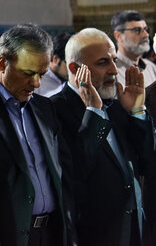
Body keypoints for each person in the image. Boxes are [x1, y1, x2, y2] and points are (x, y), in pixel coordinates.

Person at [0, 24, 75, 246]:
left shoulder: (45, 107)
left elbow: (60, 173)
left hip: (52, 234)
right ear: (2, 62)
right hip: (5, 237)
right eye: (28, 73)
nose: (36, 83)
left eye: (42, 74)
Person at [50, 28, 154, 246]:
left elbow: (147, 163)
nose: (114, 70)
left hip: (133, 230)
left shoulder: (116, 105)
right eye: (103, 62)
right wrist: (94, 114)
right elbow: (75, 171)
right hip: (92, 235)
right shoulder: (53, 110)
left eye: (114, 60)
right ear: (74, 68)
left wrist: (137, 111)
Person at [111, 10, 156, 87]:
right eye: (137, 30)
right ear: (119, 36)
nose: (146, 35)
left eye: (146, 29)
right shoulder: (111, 71)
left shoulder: (151, 67)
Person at [35, 32, 72, 97]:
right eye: (69, 64)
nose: (73, 70)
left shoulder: (68, 81)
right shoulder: (37, 84)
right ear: (56, 59)